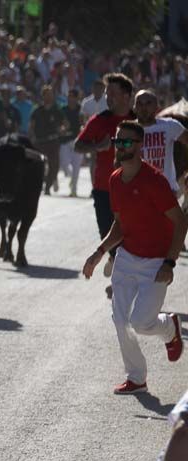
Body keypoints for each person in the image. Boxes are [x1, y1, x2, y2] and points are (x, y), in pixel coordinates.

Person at [81, 121, 186, 396]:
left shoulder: (155, 181)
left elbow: (180, 221)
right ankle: (136, 377)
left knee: (141, 322)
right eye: (118, 141)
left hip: (155, 263)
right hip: (127, 258)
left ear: (139, 146)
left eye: (127, 142)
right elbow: (120, 225)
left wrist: (170, 263)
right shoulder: (115, 179)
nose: (120, 147)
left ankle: (169, 327)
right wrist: (100, 252)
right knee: (120, 319)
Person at [75, 72, 136, 276]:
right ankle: (114, 257)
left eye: (113, 94)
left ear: (127, 96)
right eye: (107, 94)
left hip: (133, 187)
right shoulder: (99, 120)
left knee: (130, 235)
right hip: (104, 187)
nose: (108, 98)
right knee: (106, 233)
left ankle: (121, 275)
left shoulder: (138, 121)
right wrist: (97, 146)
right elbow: (78, 146)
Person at [134, 89, 188, 196]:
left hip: (166, 191)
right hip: (139, 192)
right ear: (134, 107)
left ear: (156, 107)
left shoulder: (170, 126)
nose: (143, 108)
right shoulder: (128, 130)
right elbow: (119, 161)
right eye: (139, 103)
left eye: (148, 103)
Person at [30, 85, 66, 195]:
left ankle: (48, 187)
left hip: (53, 141)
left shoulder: (57, 109)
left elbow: (64, 123)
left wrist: (62, 129)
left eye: (51, 94)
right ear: (43, 96)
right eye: (47, 94)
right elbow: (31, 126)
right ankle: (40, 183)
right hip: (40, 142)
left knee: (54, 166)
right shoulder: (37, 110)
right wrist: (31, 138)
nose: (49, 97)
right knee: (38, 165)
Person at [60, 87, 84, 196]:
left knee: (76, 167)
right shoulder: (63, 110)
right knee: (64, 164)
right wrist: (62, 128)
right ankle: (70, 178)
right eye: (69, 96)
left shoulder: (81, 109)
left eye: (72, 97)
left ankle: (74, 189)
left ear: (77, 98)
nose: (70, 99)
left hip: (78, 141)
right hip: (65, 141)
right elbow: (59, 123)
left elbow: (85, 122)